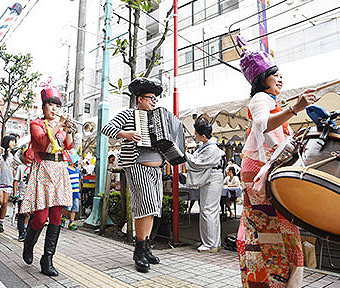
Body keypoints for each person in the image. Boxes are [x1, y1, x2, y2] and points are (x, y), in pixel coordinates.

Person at [235, 34, 316, 287]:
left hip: (260, 169)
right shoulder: (261, 98)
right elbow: (261, 125)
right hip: (260, 170)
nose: (280, 78)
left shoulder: (270, 102)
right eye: (274, 75)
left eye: (280, 74)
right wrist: (295, 108)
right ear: (262, 80)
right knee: (274, 235)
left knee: (268, 234)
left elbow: (273, 137)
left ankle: (267, 282)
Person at [101, 77, 163, 273]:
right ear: (139, 99)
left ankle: (145, 247)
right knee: (145, 206)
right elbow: (106, 128)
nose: (154, 101)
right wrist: (126, 134)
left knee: (153, 207)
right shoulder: (129, 114)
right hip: (137, 165)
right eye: (150, 97)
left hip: (156, 169)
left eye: (155, 98)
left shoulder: (158, 119)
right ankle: (139, 251)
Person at [20, 84, 73, 277]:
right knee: (41, 218)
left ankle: (47, 259)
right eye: (50, 105)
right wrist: (59, 125)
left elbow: (69, 146)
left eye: (57, 106)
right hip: (43, 170)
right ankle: (29, 244)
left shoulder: (60, 126)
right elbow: (42, 142)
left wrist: (68, 130)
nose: (54, 109)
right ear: (44, 107)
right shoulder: (36, 124)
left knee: (57, 218)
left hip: (60, 170)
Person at [186, 119, 225, 253]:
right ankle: (212, 241)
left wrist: (184, 154)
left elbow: (196, 162)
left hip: (212, 178)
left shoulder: (211, 148)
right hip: (211, 177)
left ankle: (210, 244)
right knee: (209, 210)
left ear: (203, 136)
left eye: (196, 134)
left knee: (208, 210)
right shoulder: (207, 146)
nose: (195, 136)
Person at [13, 147, 31, 241]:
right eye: (27, 154)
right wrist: (15, 193)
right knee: (22, 214)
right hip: (22, 195)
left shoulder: (35, 167)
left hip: (31, 196)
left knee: (30, 214)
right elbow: (15, 181)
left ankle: (27, 231)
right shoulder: (20, 167)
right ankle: (21, 232)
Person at [61, 149, 81, 231]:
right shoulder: (66, 170)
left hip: (76, 193)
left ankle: (71, 222)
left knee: (75, 208)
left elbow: (79, 180)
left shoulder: (77, 170)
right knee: (67, 207)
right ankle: (63, 218)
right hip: (68, 192)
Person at [0, 135, 17, 232]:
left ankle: (1, 222)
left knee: (5, 203)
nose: (13, 143)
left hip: (8, 181)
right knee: (1, 201)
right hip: (0, 181)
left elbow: (15, 168)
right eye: (12, 141)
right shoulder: (1, 154)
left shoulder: (14, 155)